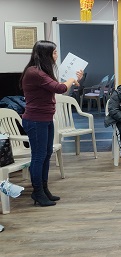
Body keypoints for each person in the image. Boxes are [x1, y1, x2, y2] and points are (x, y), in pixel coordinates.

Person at [20, 40, 82, 206]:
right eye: (54, 52)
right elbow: (60, 88)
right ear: (45, 54)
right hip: (35, 120)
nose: (56, 55)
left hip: (45, 119)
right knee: (39, 156)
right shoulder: (34, 72)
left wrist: (74, 80)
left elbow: (61, 89)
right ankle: (37, 192)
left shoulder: (42, 72)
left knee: (46, 154)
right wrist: (71, 79)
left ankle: (44, 189)